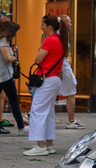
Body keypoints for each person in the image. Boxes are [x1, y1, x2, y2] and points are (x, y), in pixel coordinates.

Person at [23, 15, 67, 156]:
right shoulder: (61, 40)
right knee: (48, 113)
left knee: (37, 110)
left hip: (47, 79)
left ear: (49, 27)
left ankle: (40, 146)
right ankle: (48, 144)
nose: (40, 27)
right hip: (54, 79)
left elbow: (38, 59)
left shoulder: (49, 40)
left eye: (42, 24)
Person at [0, 17, 27, 136]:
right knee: (15, 102)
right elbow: (6, 58)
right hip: (4, 76)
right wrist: (14, 58)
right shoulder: (3, 42)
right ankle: (21, 127)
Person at [57, 15, 85, 129]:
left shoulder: (59, 35)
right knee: (71, 92)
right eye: (69, 22)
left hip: (63, 67)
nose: (71, 24)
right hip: (64, 68)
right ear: (63, 23)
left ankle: (32, 116)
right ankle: (71, 120)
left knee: (53, 92)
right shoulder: (59, 36)